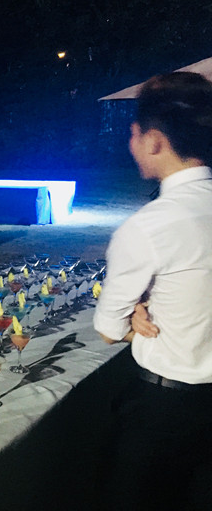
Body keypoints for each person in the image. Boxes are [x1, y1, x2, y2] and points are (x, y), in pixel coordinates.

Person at [93, 72, 212, 510]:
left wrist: (132, 315)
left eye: (133, 134)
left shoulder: (149, 227)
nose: (131, 143)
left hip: (168, 413)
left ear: (155, 141)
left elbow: (108, 329)